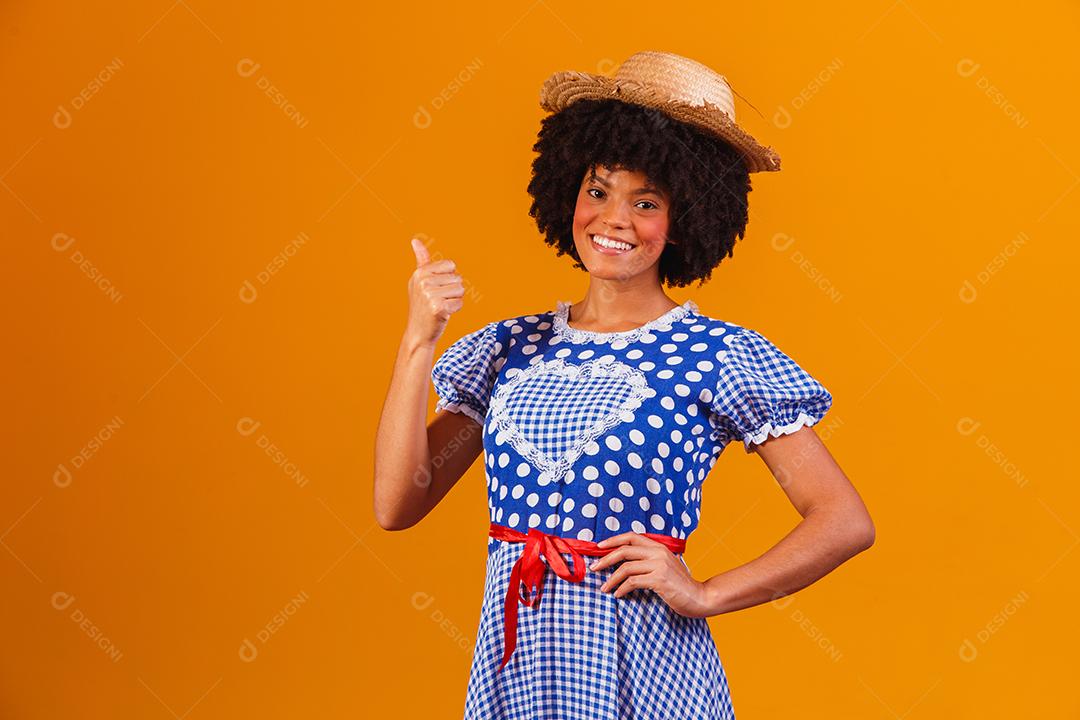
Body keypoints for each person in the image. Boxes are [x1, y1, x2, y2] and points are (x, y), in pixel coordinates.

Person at [374, 50, 875, 720]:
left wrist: (705, 593)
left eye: (647, 202)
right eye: (599, 190)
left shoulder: (716, 355)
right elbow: (397, 505)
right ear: (567, 191)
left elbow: (843, 521)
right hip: (520, 671)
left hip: (648, 669)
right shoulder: (507, 348)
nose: (614, 220)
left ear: (685, 220)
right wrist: (417, 341)